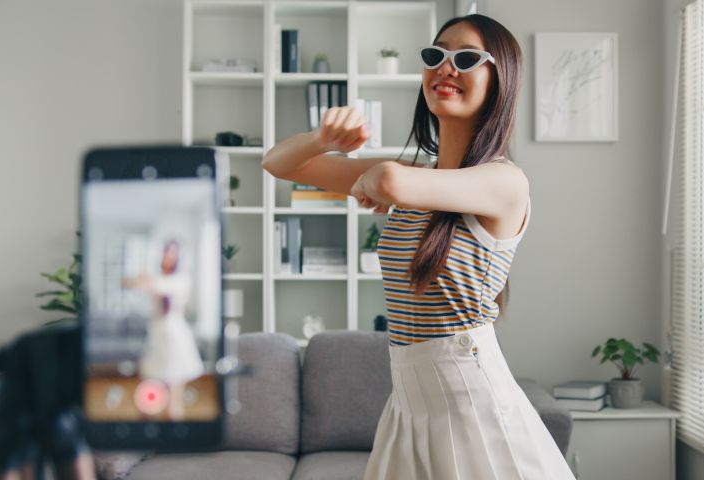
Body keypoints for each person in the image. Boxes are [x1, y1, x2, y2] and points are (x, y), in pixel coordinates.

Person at [261, 13, 576, 480]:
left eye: (466, 58)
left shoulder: (505, 181)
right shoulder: (417, 177)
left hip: (471, 400)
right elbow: (277, 163)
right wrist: (322, 139)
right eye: (435, 56)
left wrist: (381, 181)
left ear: (500, 79)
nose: (446, 68)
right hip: (409, 400)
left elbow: (387, 179)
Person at [121, 239, 203, 421]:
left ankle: (173, 440)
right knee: (147, 396)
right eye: (166, 251)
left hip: (174, 339)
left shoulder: (181, 279)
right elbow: (130, 282)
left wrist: (145, 279)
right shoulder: (158, 277)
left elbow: (157, 285)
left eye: (172, 252)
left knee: (174, 400)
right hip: (157, 339)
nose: (168, 256)